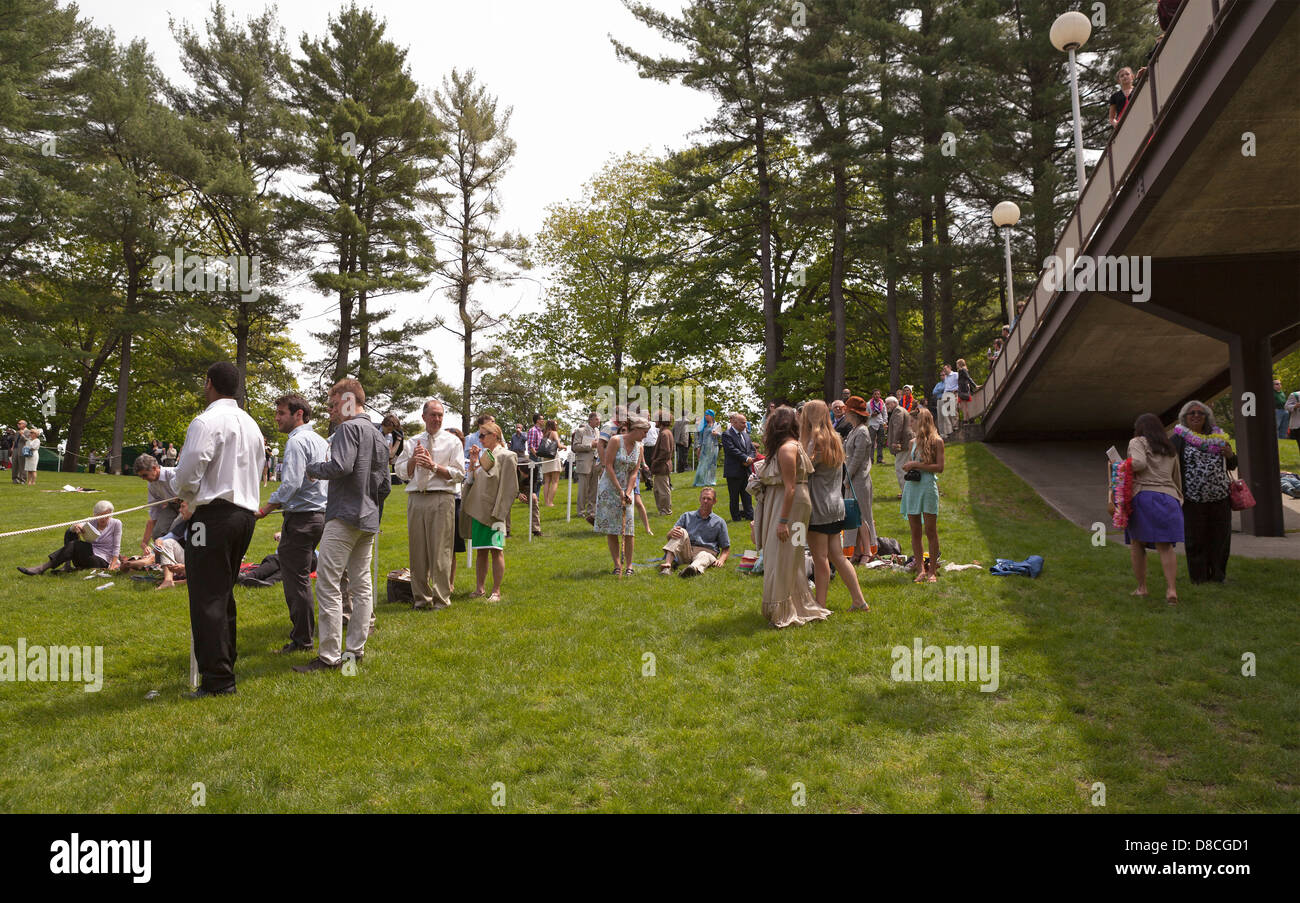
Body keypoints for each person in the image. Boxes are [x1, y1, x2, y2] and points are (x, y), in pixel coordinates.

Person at [174, 361, 264, 698]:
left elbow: (188, 472)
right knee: (222, 593)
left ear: (209, 382)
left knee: (205, 596)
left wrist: (187, 497)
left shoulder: (206, 421)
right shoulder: (252, 425)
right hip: (244, 516)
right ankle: (224, 664)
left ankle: (218, 679)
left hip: (212, 517)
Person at [296, 378, 391, 673]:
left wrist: (311, 469)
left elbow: (341, 466)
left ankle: (328, 656)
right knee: (362, 584)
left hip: (344, 516)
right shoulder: (378, 435)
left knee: (328, 584)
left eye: (334, 404)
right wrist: (373, 512)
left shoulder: (347, 429)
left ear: (349, 401)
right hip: (368, 519)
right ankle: (354, 653)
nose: (330, 410)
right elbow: (385, 485)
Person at [257, 393, 330, 654]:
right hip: (319, 516)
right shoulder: (320, 440)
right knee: (302, 578)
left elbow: (290, 484)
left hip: (301, 519)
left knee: (296, 582)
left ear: (298, 414)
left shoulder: (297, 442)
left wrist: (266, 508)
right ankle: (307, 636)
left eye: (281, 413)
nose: (276, 418)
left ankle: (302, 641)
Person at [751, 406, 831, 628]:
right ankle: (795, 603)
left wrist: (783, 521)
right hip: (795, 505)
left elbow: (790, 488)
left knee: (783, 556)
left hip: (791, 507)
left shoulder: (787, 449)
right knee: (791, 556)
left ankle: (783, 610)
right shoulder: (793, 446)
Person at [394, 399, 464, 611]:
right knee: (417, 551)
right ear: (423, 417)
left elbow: (459, 474)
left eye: (440, 415)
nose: (437, 419)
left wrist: (434, 466)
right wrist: (414, 460)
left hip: (442, 498)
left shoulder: (453, 442)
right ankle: (421, 599)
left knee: (441, 551)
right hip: (416, 498)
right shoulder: (412, 442)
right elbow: (400, 472)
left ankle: (441, 599)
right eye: (433, 415)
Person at [801, 401, 869, 612]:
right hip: (836, 505)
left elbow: (802, 469)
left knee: (821, 559)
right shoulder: (836, 439)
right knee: (837, 557)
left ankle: (820, 606)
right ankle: (859, 601)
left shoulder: (815, 441)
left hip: (819, 508)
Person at [1171, 402, 1235, 585]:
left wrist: (1230, 454)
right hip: (1192, 500)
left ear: (1207, 417)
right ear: (1185, 417)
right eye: (1192, 413)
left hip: (1220, 498)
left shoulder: (1218, 436)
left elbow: (1232, 464)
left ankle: (1218, 575)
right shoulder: (1178, 439)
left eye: (1201, 413)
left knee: (1220, 539)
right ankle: (1198, 577)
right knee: (1195, 539)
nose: (1196, 416)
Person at [1124, 412, 1183, 605]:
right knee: (1165, 547)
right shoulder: (1169, 447)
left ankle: (1142, 588)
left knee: (1137, 544)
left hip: (1145, 496)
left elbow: (1139, 463)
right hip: (1170, 497)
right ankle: (1171, 590)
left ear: (1139, 428)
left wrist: (1121, 465)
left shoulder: (1137, 442)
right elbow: (1176, 478)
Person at [460, 421, 518, 601]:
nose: (480, 439)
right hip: (480, 511)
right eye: (479, 435)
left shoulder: (508, 455)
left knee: (496, 550)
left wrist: (499, 513)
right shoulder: (487, 455)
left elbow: (510, 488)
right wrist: (474, 462)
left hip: (495, 513)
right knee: (481, 551)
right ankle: (480, 589)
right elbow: (475, 479)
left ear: (495, 435)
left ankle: (496, 590)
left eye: (483, 435)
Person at [594, 414, 648, 577]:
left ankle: (629, 566)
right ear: (636, 430)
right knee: (612, 528)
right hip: (610, 487)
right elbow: (608, 465)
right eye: (644, 432)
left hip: (627, 489)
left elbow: (634, 471)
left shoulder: (640, 447)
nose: (645, 435)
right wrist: (619, 490)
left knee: (629, 528)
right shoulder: (616, 440)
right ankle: (617, 565)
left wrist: (629, 491)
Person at [18, 500, 122, 575]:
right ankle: (66, 565)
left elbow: (116, 546)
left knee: (75, 544)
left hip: (101, 560)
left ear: (111, 513)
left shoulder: (116, 523)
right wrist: (76, 527)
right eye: (100, 515)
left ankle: (42, 568)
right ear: (95, 514)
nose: (103, 518)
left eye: (106, 515)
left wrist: (112, 566)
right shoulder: (92, 520)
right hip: (87, 555)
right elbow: (76, 526)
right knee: (70, 532)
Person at [901, 407, 945, 584]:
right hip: (912, 488)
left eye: (912, 421)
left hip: (927, 488)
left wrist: (915, 465)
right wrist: (910, 465)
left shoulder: (937, 442)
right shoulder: (912, 443)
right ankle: (920, 568)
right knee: (915, 531)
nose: (910, 424)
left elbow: (939, 468)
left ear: (921, 421)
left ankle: (932, 571)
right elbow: (911, 464)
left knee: (930, 530)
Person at [658, 488, 731, 576]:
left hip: (706, 553)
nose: (705, 501)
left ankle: (691, 569)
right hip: (687, 551)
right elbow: (670, 537)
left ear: (714, 501)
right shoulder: (687, 516)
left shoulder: (719, 522)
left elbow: (726, 548)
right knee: (679, 531)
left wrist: (721, 560)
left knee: (704, 555)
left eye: (709, 499)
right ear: (699, 499)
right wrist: (671, 533)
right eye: (703, 498)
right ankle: (667, 566)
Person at [842, 396, 878, 565]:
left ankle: (868, 551)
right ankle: (856, 551)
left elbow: (857, 458)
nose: (845, 414)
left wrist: (847, 477)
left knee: (861, 515)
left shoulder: (862, 431)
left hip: (859, 479)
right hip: (852, 478)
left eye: (847, 411)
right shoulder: (853, 430)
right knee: (853, 516)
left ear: (853, 413)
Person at [133, 453, 181, 553]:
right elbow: (154, 508)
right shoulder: (151, 485)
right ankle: (161, 562)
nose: (143, 478)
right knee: (158, 532)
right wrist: (153, 525)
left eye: (144, 475)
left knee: (175, 529)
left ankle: (178, 560)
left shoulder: (173, 474)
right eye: (141, 476)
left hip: (188, 506)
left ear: (154, 468)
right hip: (172, 506)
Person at [718, 412, 755, 522]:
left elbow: (752, 449)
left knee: (747, 495)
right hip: (734, 470)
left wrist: (749, 459)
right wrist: (745, 458)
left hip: (746, 470)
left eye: (746, 422)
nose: (745, 425)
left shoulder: (745, 435)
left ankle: (750, 515)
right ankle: (736, 517)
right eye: (743, 423)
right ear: (734, 422)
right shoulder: (727, 435)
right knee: (734, 496)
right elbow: (731, 450)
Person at [572, 412, 600, 523]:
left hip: (596, 462)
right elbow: (575, 447)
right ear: (590, 420)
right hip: (584, 462)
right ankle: (581, 511)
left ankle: (591, 511)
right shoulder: (580, 431)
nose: (599, 421)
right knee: (583, 489)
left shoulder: (598, 431)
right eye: (597, 419)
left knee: (594, 488)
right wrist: (590, 445)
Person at [885, 395, 911, 496]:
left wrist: (895, 442)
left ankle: (906, 492)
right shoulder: (901, 410)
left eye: (888, 404)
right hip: (905, 442)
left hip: (902, 443)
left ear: (894, 403)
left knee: (900, 467)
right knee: (905, 467)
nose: (886, 406)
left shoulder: (898, 411)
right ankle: (907, 491)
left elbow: (898, 427)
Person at [650, 414, 676, 516]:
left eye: (656, 419)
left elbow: (666, 451)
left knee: (663, 490)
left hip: (662, 466)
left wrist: (656, 461)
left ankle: (666, 511)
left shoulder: (665, 433)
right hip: (663, 465)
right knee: (657, 490)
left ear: (661, 421)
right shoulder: (666, 432)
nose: (654, 421)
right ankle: (662, 510)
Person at [539, 418, 564, 507]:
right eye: (556, 424)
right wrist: (564, 447)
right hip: (553, 458)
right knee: (555, 481)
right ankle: (550, 502)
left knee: (547, 482)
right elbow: (559, 445)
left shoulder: (544, 434)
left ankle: (546, 502)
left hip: (545, 459)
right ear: (553, 425)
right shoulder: (554, 433)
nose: (556, 426)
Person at [693, 410, 719, 487]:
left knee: (713, 464)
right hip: (705, 447)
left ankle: (711, 481)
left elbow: (721, 434)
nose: (705, 416)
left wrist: (716, 433)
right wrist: (698, 447)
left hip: (714, 446)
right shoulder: (703, 425)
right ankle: (700, 481)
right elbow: (700, 438)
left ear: (711, 416)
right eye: (705, 415)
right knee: (703, 464)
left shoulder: (717, 425)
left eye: (707, 415)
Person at [380, 413, 405, 485]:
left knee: (386, 488)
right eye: (389, 429)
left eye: (392, 430)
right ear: (383, 425)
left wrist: (399, 440)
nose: (390, 431)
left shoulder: (389, 435)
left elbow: (390, 455)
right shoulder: (372, 430)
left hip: (383, 466)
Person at [1108, 66, 1135, 133]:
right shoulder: (1114, 96)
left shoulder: (1139, 89)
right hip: (1123, 125)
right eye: (1122, 76)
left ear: (1132, 76)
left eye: (1127, 74)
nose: (1125, 76)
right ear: (1118, 81)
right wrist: (1115, 123)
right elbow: (1111, 118)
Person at [937, 364, 960, 438]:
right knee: (946, 413)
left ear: (949, 368)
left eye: (945, 369)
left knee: (954, 410)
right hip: (946, 395)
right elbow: (946, 387)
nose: (944, 371)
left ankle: (955, 427)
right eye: (943, 369)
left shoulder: (955, 374)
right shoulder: (946, 377)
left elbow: (960, 383)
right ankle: (950, 429)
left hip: (954, 393)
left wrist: (956, 389)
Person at [866, 390, 887, 465]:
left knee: (880, 442)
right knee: (871, 443)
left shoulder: (882, 403)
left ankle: (880, 459)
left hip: (880, 423)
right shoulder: (868, 404)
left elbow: (884, 413)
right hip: (872, 424)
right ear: (872, 395)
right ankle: (871, 459)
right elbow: (865, 414)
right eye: (875, 394)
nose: (877, 396)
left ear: (880, 395)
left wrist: (885, 422)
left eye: (878, 394)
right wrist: (871, 415)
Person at [955, 358, 978, 424]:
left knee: (964, 406)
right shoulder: (963, 370)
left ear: (959, 364)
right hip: (963, 389)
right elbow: (967, 379)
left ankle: (965, 420)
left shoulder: (962, 370)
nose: (956, 365)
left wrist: (975, 385)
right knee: (963, 406)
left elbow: (968, 378)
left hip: (963, 390)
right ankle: (970, 419)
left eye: (957, 363)